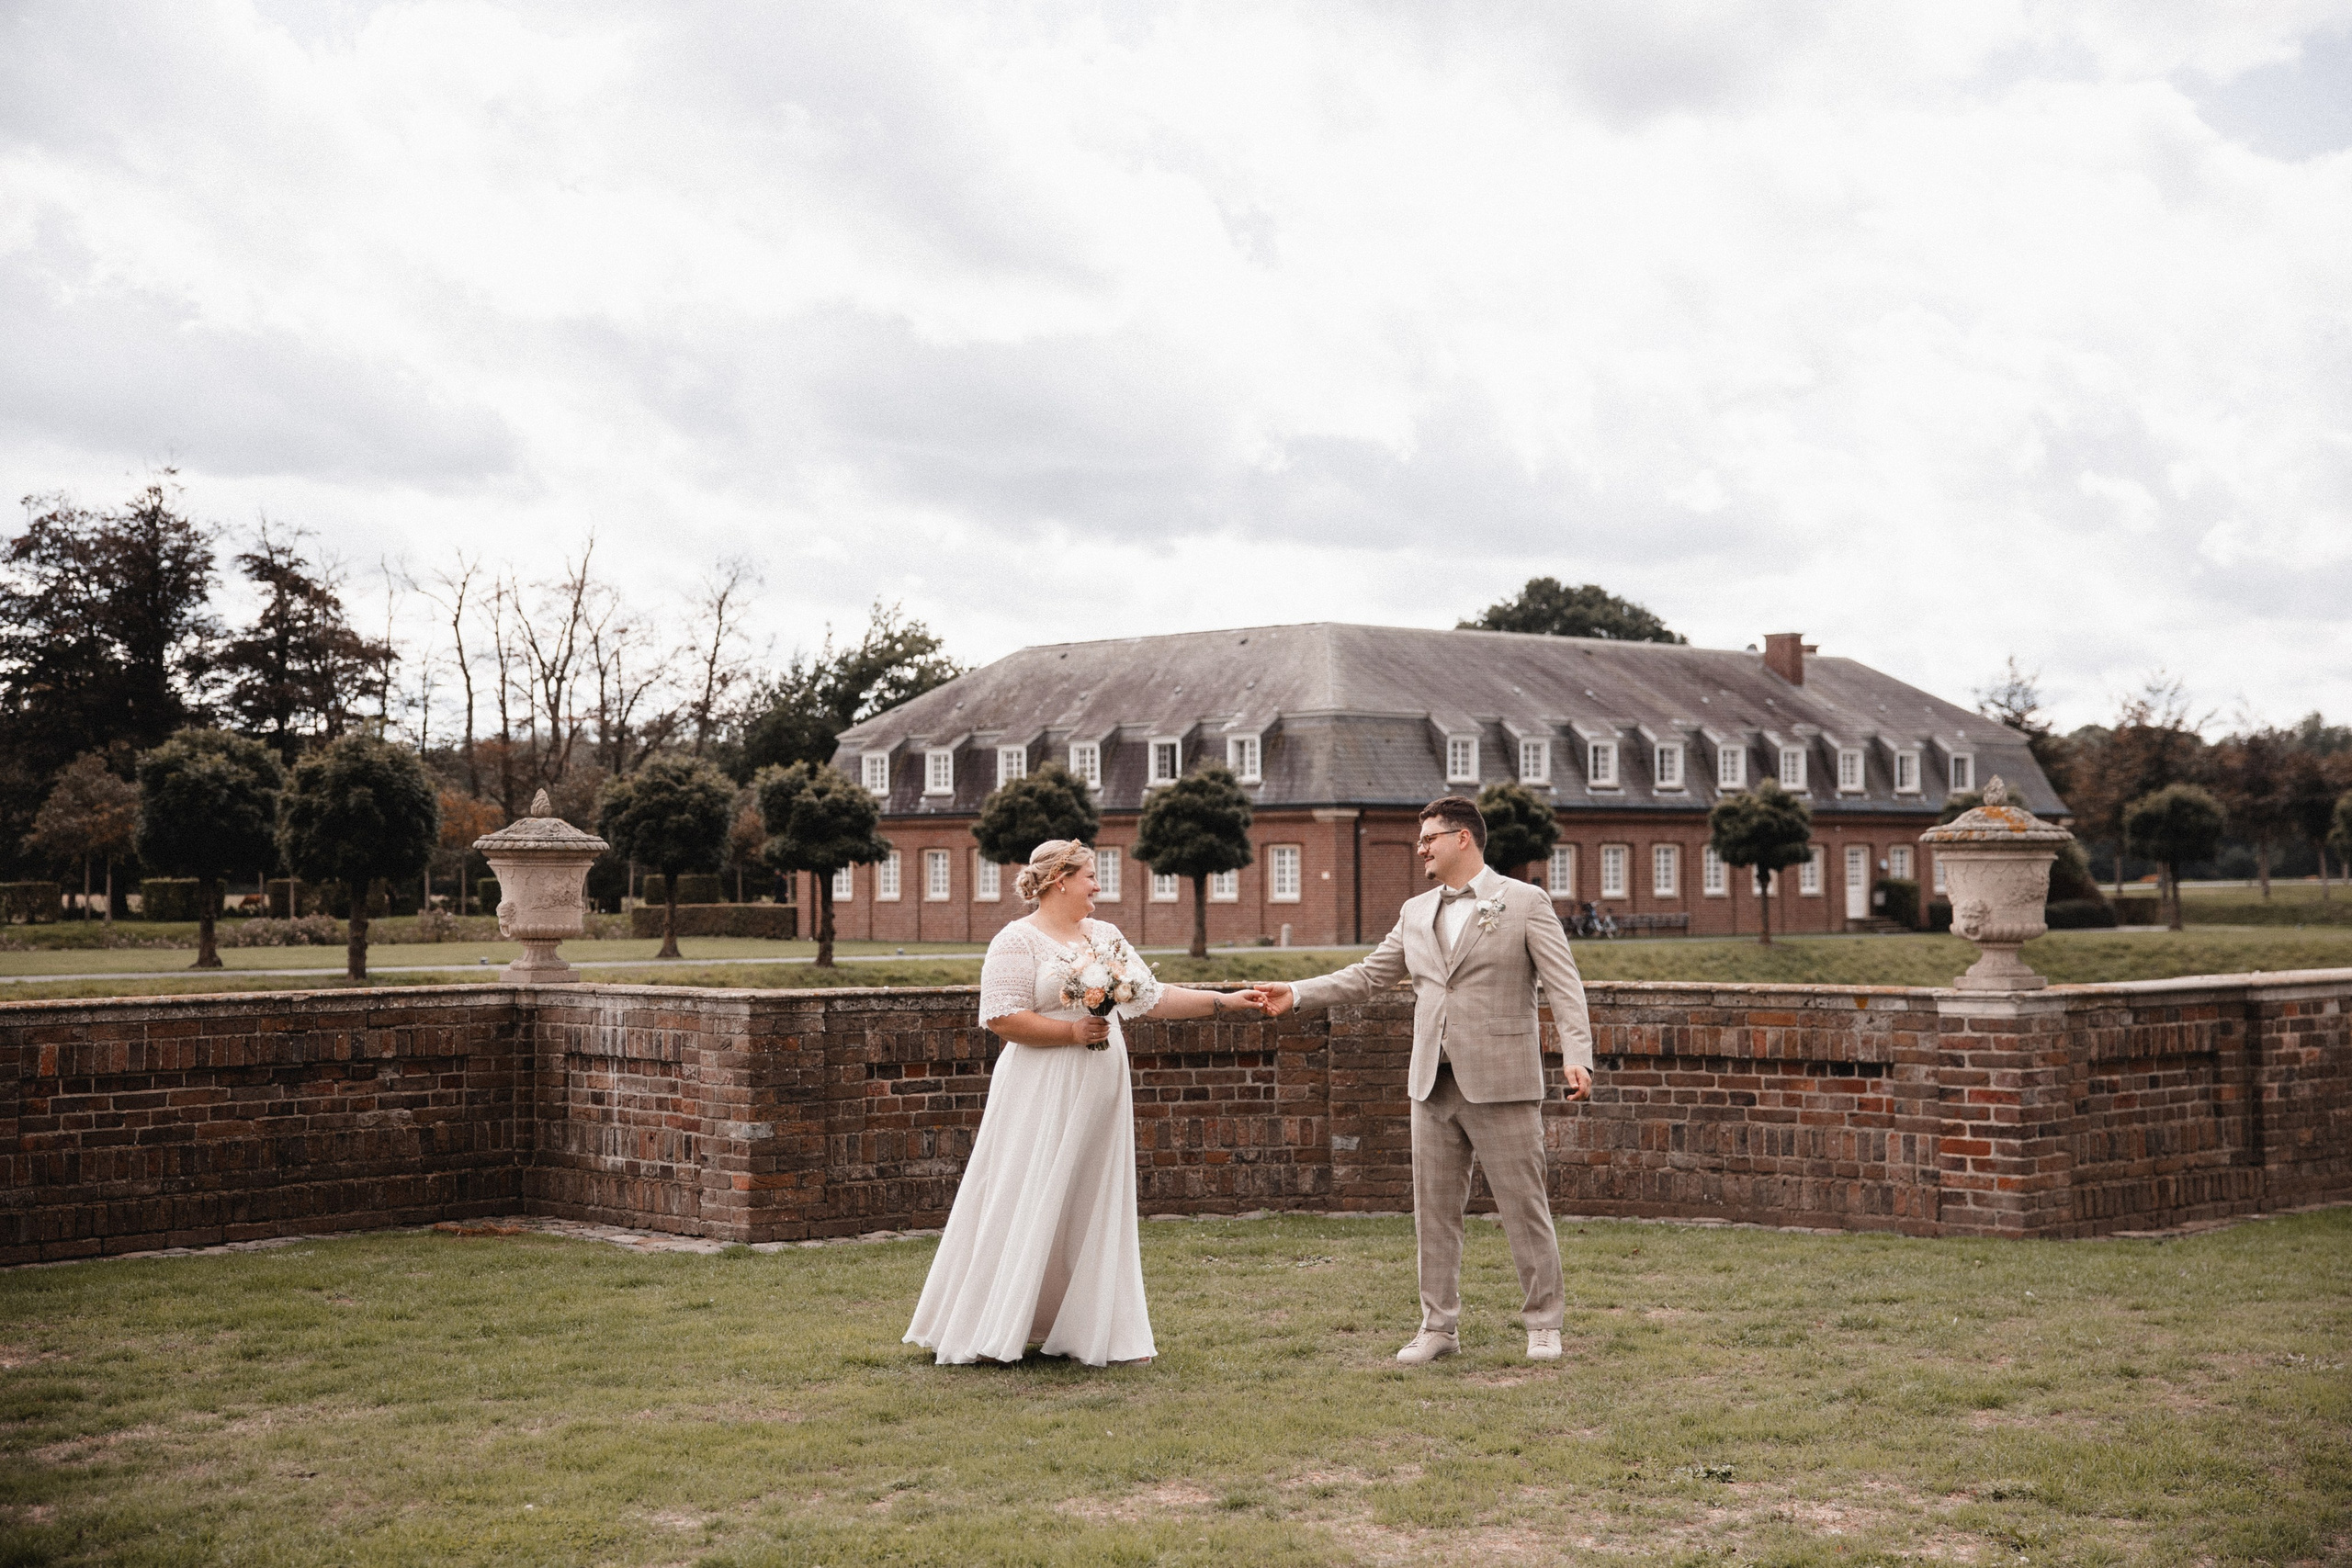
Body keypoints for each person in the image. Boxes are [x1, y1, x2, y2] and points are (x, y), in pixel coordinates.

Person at [905, 839, 1267, 1367]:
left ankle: (1098, 1330)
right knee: (1026, 1189)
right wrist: (1071, 1033)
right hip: (1039, 1086)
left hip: (1100, 1083)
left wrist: (1222, 1001)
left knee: (1095, 1196)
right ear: (1060, 880)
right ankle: (997, 1321)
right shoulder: (1016, 940)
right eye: (1091, 876)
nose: (1099, 886)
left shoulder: (1106, 937)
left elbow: (1152, 996)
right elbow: (1002, 1016)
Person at [1260, 795, 1594, 1365]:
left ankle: (1543, 1324)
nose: (1420, 849)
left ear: (1462, 838)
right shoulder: (1415, 911)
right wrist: (1298, 993)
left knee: (1524, 1206)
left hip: (1503, 1080)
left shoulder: (1524, 901)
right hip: (1430, 1082)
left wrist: (1576, 1053)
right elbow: (1369, 975)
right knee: (1433, 1213)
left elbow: (1564, 985)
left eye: (1428, 839)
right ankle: (1438, 1327)